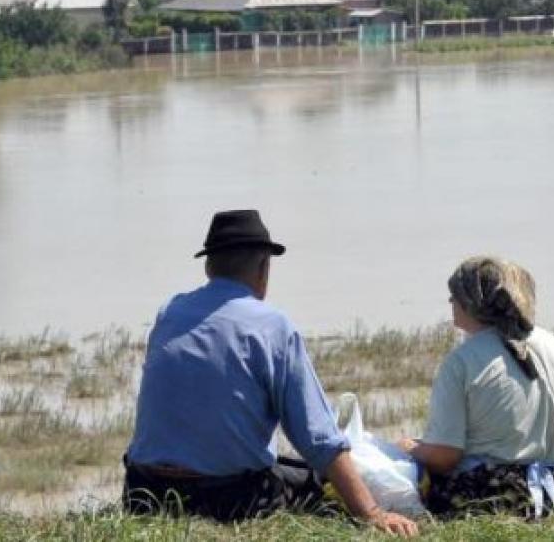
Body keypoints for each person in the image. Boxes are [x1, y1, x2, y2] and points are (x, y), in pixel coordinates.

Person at [123, 209, 417, 536]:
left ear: (208, 267)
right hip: (226, 498)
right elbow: (319, 439)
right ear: (264, 269)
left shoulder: (169, 312)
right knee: (318, 481)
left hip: (144, 492)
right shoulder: (271, 326)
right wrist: (372, 512)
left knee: (286, 466)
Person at [400, 256, 554, 519]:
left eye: (454, 295)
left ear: (471, 302)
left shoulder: (461, 361)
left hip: (488, 498)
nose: (450, 303)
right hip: (553, 494)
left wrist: (410, 447)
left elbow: (446, 456)